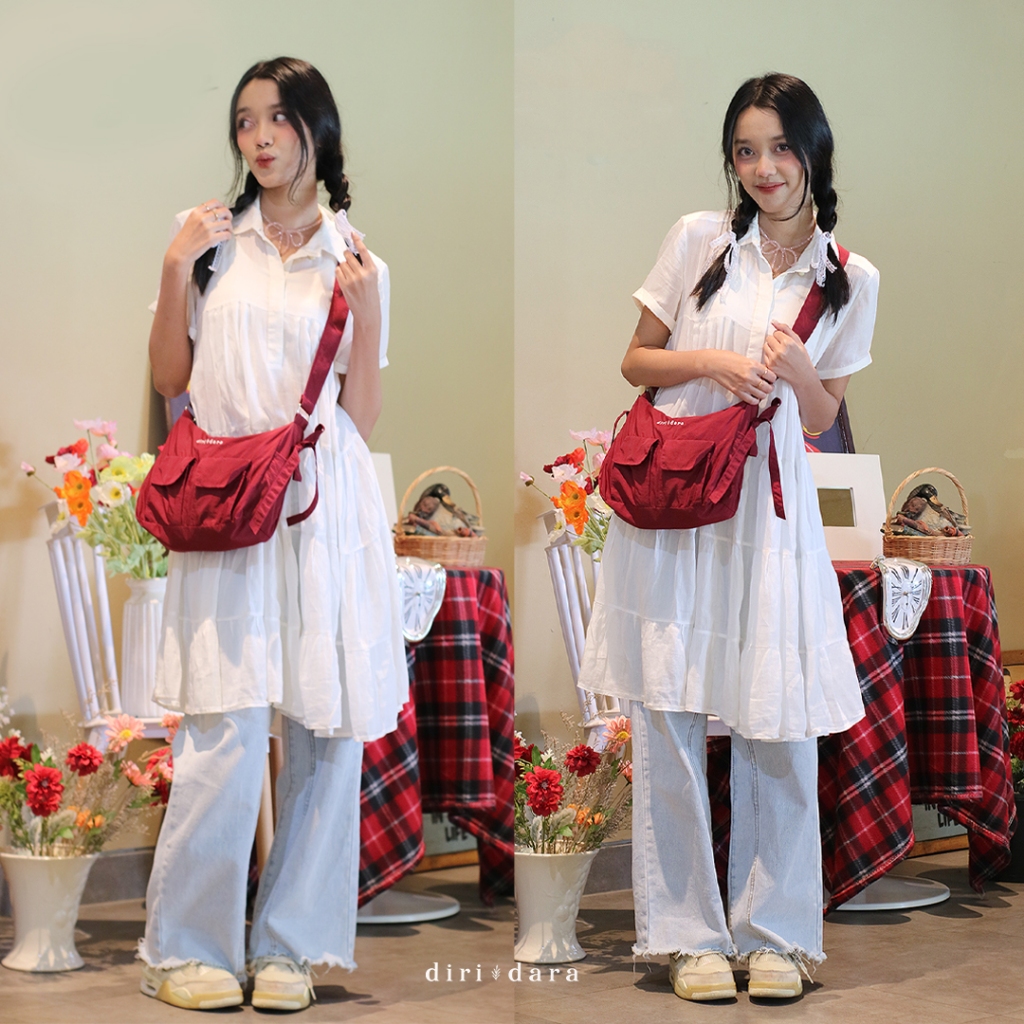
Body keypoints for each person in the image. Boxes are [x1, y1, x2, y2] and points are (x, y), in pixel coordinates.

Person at [578, 73, 879, 1002]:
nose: (763, 168)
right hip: (676, 508)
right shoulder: (699, 239)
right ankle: (686, 937)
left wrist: (799, 371)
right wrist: (712, 359)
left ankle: (776, 935)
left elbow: (826, 416)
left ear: (814, 151)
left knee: (775, 715)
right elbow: (636, 359)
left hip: (767, 517)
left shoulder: (849, 278)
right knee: (668, 713)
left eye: (781, 148)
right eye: (746, 151)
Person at [137, 57, 408, 1012]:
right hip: (227, 502)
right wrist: (173, 268)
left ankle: (290, 947)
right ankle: (186, 949)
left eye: (279, 118)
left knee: (325, 730)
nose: (259, 137)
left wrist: (367, 312)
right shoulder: (208, 242)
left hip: (324, 505)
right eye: (246, 121)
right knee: (225, 725)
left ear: (316, 130)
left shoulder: (359, 259)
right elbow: (171, 377)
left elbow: (360, 416)